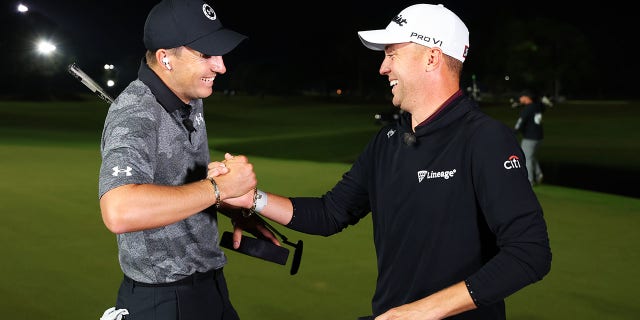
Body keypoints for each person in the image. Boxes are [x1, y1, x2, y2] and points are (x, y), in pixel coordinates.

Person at [215, 4, 552, 319]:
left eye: (392, 55)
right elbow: (331, 212)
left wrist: (421, 312)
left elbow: (529, 252)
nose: (383, 67)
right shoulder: (387, 141)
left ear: (432, 58)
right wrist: (253, 200)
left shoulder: (485, 139)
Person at [97, 1, 279, 319]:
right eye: (206, 55)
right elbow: (119, 210)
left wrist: (228, 206)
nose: (221, 67)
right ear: (166, 58)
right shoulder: (135, 112)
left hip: (210, 287)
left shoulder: (189, 96)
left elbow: (177, 184)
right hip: (164, 300)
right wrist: (219, 188)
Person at [514, 89, 545, 185]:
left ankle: (529, 180)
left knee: (526, 158)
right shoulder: (537, 106)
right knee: (531, 156)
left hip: (530, 138)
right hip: (539, 137)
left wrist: (513, 132)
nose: (520, 98)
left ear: (526, 97)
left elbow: (520, 123)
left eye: (521, 96)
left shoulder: (527, 109)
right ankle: (538, 174)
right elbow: (543, 106)